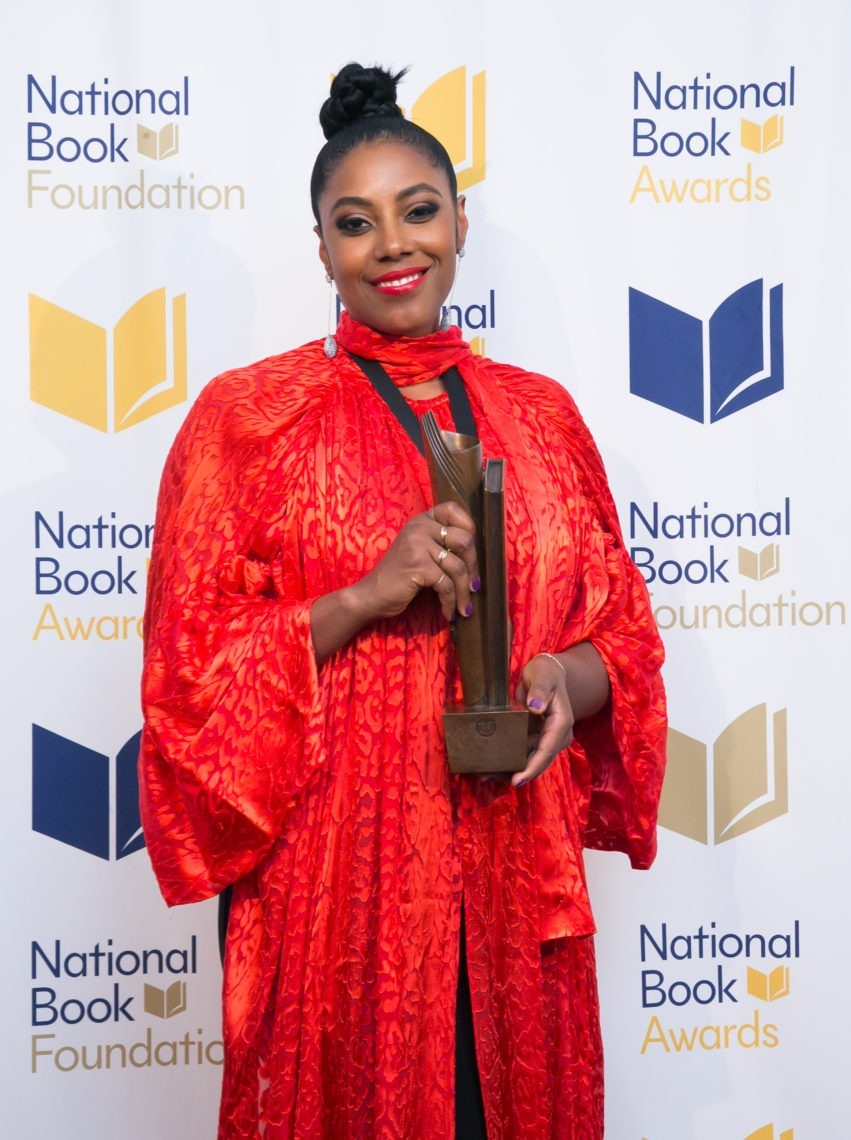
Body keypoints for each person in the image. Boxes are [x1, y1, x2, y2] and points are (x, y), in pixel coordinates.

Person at [140, 62, 667, 1140]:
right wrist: (369, 593)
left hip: (513, 882)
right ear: (322, 248)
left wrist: (564, 681)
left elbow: (621, 633)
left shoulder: (541, 418)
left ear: (458, 223)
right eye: (356, 223)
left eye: (418, 211)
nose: (393, 245)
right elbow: (188, 675)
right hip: (335, 896)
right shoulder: (247, 423)